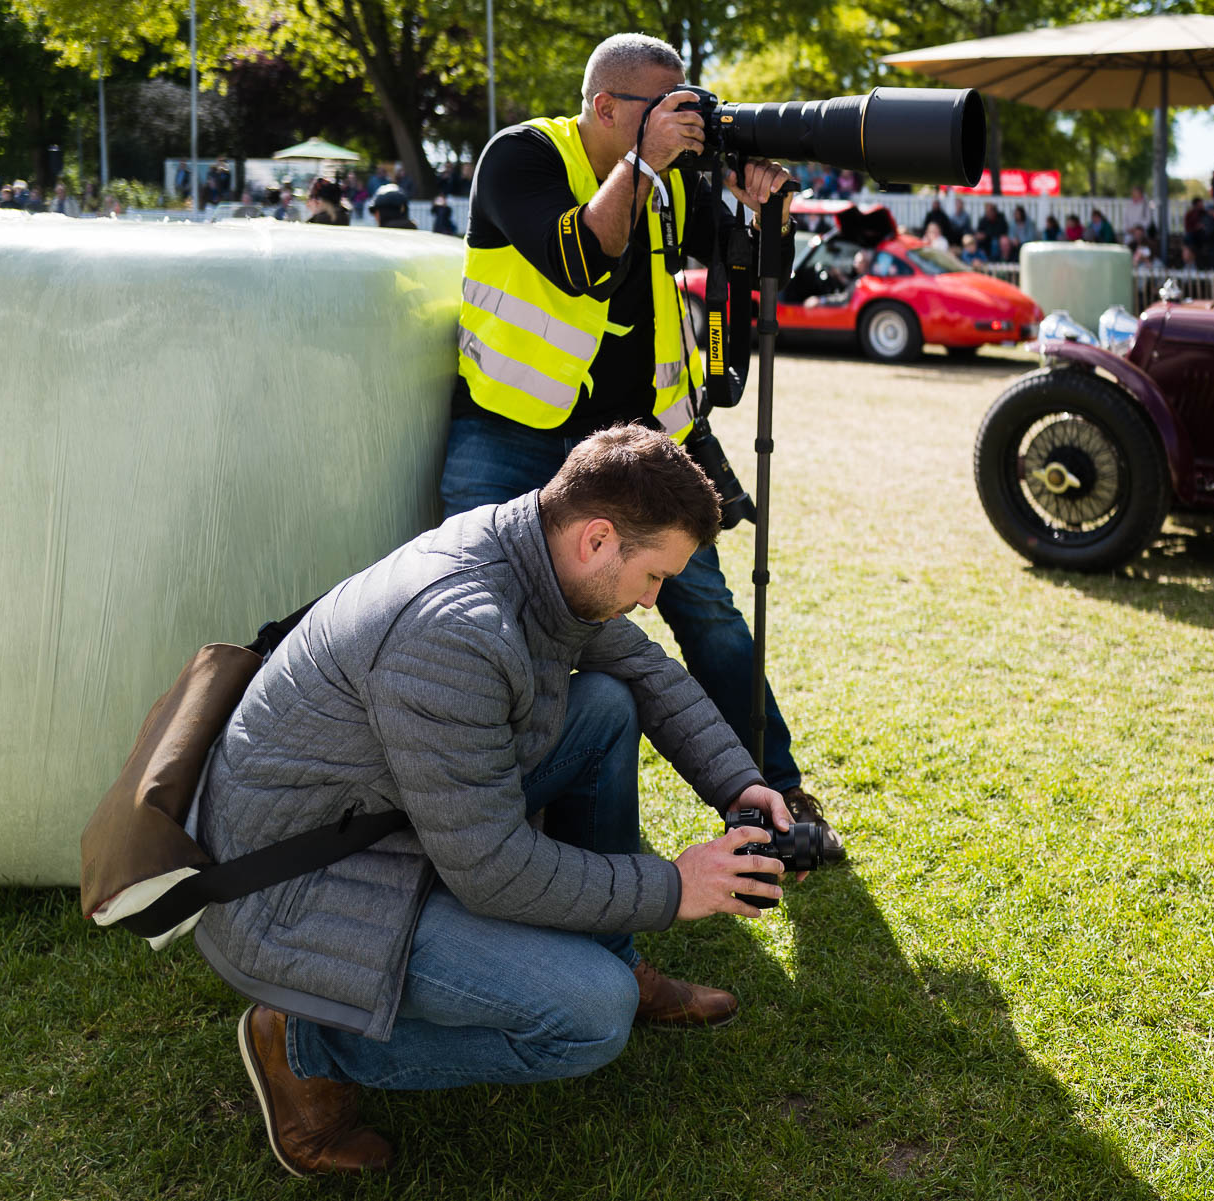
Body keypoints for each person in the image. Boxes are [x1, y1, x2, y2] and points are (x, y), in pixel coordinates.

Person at [203, 425, 806, 1176]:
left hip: (381, 815)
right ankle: (301, 1042)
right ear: (597, 539)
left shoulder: (532, 547)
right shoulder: (455, 631)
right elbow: (491, 869)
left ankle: (614, 952)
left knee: (610, 703)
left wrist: (739, 783)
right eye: (653, 577)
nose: (654, 601)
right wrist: (673, 886)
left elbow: (647, 673)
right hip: (300, 885)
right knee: (592, 1014)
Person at [435, 33, 837, 847]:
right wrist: (647, 165)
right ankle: (484, 799)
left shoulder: (670, 179)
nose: (684, 126)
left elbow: (751, 265)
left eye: (687, 110)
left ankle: (777, 794)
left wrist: (766, 217)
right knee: (478, 608)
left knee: (711, 613)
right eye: (665, 111)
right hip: (512, 430)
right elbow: (582, 258)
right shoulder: (521, 157)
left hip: (640, 445)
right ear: (605, 107)